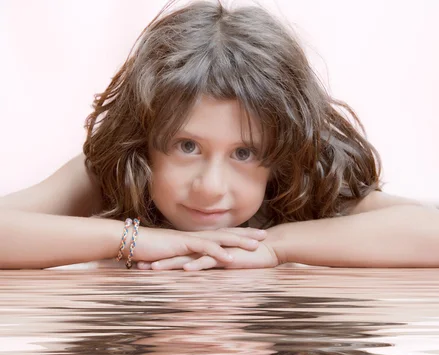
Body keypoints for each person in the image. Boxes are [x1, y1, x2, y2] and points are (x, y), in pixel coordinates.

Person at [1, 0, 437, 271]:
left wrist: (278, 246)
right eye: (186, 146)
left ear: (283, 151)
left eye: (244, 152)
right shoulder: (117, 171)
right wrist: (139, 240)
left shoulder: (302, 181)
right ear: (143, 139)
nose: (210, 187)